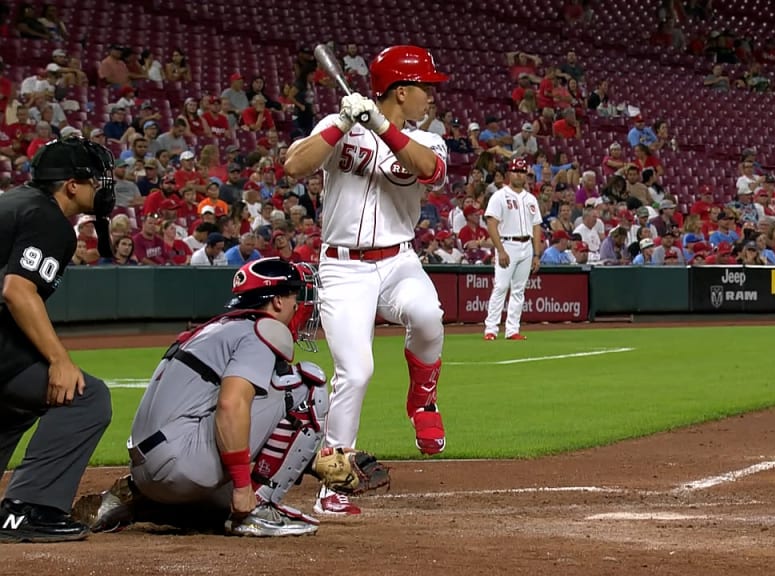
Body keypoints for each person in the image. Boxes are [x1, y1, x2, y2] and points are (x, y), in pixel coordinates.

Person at [283, 45, 449, 516]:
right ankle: (333, 482)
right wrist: (342, 123)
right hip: (343, 268)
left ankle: (423, 401)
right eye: (425, 87)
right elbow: (294, 165)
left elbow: (429, 170)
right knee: (355, 372)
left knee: (428, 315)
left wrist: (380, 125)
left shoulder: (428, 139)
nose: (431, 97)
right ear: (401, 90)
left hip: (399, 260)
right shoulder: (341, 125)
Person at [71, 258, 331, 537]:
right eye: (294, 296)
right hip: (181, 464)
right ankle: (258, 509)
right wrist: (243, 488)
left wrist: (312, 462)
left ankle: (142, 501)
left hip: (146, 469)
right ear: (277, 301)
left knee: (218, 510)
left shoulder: (217, 328)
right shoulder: (259, 332)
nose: (298, 306)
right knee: (308, 385)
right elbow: (231, 405)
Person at [0, 137, 117, 543]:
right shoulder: (48, 218)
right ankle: (27, 509)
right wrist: (58, 359)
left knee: (17, 400)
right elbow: (17, 290)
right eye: (96, 181)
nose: (104, 188)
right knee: (84, 397)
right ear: (72, 185)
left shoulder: (16, 203)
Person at [482, 157, 542, 341]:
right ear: (509, 173)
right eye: (516, 171)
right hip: (507, 243)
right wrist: (500, 250)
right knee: (500, 287)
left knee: (519, 290)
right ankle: (491, 329)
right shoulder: (499, 195)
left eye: (522, 172)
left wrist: (537, 254)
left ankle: (512, 329)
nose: (519, 174)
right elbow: (491, 224)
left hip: (526, 245)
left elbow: (536, 226)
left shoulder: (531, 198)